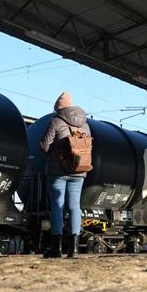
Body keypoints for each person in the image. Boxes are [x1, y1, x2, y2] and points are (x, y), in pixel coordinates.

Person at [39, 91, 90, 258]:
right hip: (79, 170)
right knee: (75, 207)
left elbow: (45, 146)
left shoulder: (55, 121)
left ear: (59, 109)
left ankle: (57, 248)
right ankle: (74, 249)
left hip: (57, 171)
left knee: (57, 206)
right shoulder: (85, 124)